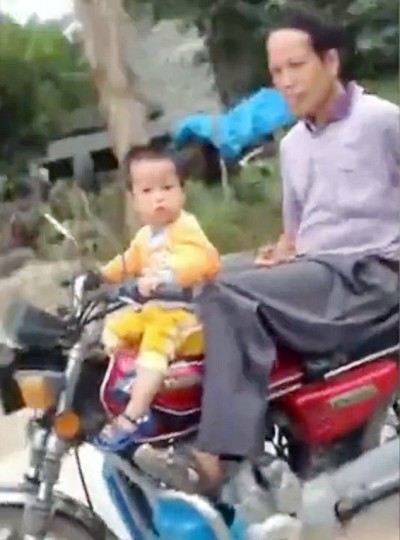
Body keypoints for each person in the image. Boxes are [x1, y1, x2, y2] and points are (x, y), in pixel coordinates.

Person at [134, 4, 400, 503]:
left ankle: (219, 453)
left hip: (373, 275)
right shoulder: (293, 145)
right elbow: (299, 229)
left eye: (296, 66)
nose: (286, 82)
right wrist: (278, 252)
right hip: (317, 272)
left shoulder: (383, 122)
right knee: (198, 275)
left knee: (221, 288)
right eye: (276, 72)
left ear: (331, 62)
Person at [93, 146, 220, 450]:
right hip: (155, 311)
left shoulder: (184, 227)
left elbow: (204, 259)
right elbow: (127, 263)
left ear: (182, 192)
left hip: (187, 315)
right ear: (134, 199)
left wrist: (167, 276)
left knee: (155, 341)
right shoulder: (144, 237)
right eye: (147, 190)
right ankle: (134, 387)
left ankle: (135, 414)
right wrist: (100, 276)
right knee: (113, 330)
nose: (159, 197)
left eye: (167, 187)